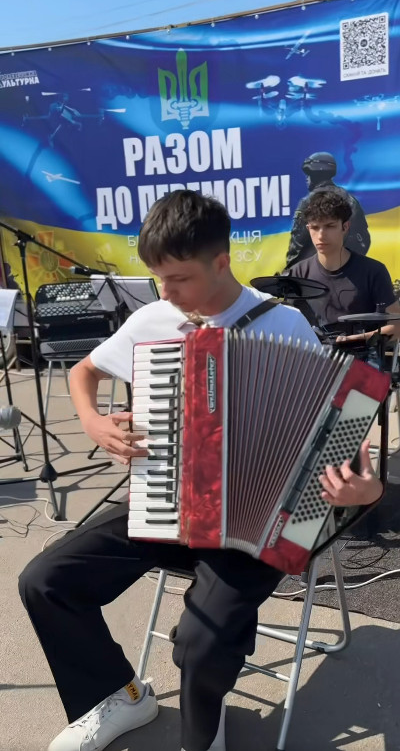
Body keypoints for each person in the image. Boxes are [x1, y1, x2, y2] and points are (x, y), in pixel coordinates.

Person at [18, 191, 383, 751]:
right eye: (158, 278)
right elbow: (83, 373)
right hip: (166, 502)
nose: (165, 292)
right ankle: (120, 696)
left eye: (178, 279)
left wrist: (365, 487)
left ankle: (202, 734)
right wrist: (93, 422)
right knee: (45, 581)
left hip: (258, 526)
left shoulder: (284, 325)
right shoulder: (154, 319)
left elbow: (343, 434)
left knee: (200, 640)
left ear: (221, 262)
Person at [289, 189, 400, 350]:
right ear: (308, 228)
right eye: (315, 227)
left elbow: (396, 327)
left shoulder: (373, 271)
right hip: (312, 360)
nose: (321, 235)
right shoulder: (297, 274)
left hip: (362, 358)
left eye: (330, 226)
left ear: (345, 226)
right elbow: (287, 326)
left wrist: (355, 340)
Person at [285, 152, 371, 269]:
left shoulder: (309, 202)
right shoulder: (350, 199)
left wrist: (289, 273)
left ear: (315, 175)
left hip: (317, 273)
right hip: (352, 270)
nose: (306, 179)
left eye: (309, 175)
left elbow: (297, 246)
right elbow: (364, 238)